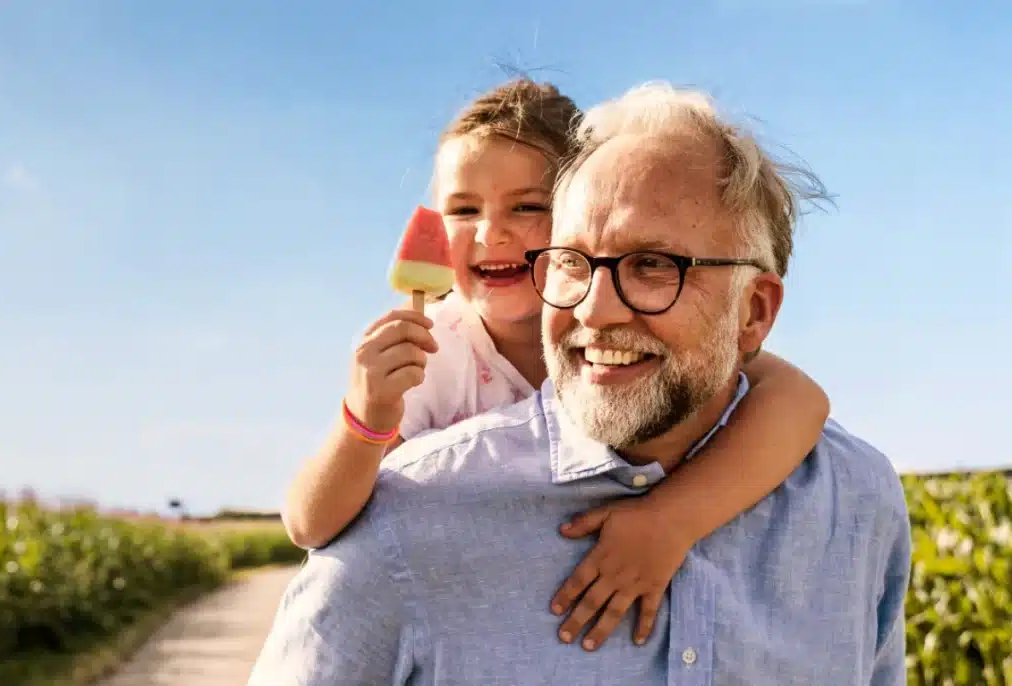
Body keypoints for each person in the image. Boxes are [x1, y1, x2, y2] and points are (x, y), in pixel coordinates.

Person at [250, 81, 911, 685]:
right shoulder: (412, 487)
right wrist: (364, 420)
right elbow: (312, 521)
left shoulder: (857, 501)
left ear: (756, 312)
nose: (595, 310)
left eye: (652, 265)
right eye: (573, 262)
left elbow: (794, 398)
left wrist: (673, 519)